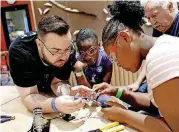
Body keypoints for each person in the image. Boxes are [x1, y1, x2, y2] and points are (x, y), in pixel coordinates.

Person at [94, 1, 179, 131]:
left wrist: (123, 115)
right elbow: (158, 103)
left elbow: (172, 129)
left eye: (113, 57)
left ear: (125, 37)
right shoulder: (164, 44)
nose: (116, 63)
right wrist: (118, 92)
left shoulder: (160, 56)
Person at [9, 15, 93, 114]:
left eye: (67, 49)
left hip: (48, 94)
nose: (64, 57)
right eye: (56, 51)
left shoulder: (68, 50)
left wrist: (66, 93)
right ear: (39, 44)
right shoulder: (20, 51)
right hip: (29, 91)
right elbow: (28, 97)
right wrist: (55, 104)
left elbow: (56, 82)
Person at [127, 0, 179, 92]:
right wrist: (137, 83)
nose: (152, 23)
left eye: (154, 16)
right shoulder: (159, 28)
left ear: (170, 7)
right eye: (148, 18)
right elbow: (152, 56)